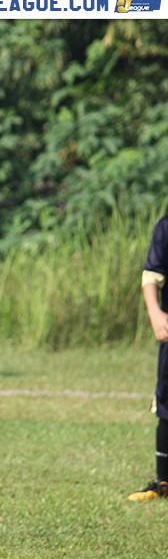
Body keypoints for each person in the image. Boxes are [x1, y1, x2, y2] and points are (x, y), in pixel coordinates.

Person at [130, 214, 168, 501]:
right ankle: (164, 483)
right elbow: (151, 274)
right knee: (166, 402)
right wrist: (156, 314)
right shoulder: (165, 227)